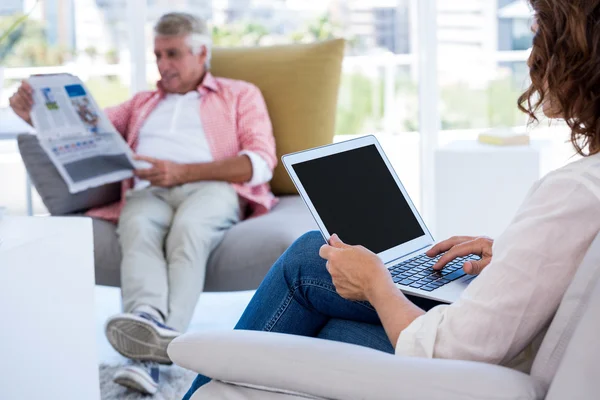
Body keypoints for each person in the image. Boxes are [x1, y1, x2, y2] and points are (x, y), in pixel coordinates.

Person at [183, 0, 600, 398]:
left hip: (474, 372)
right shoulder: (588, 184)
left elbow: (450, 350)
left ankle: (201, 379)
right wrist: (510, 257)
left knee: (311, 280)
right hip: (506, 343)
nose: (531, 60)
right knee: (314, 272)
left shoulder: (573, 192)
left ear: (575, 60)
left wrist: (375, 284)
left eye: (537, 40)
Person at [10, 12, 277, 395]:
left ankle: (153, 352)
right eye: (158, 55)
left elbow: (260, 163)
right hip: (147, 192)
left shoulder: (239, 94)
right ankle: (147, 322)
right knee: (136, 227)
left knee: (189, 232)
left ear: (202, 53)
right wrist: (37, 115)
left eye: (173, 54)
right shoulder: (142, 102)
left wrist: (181, 172)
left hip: (211, 186)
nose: (163, 65)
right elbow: (89, 132)